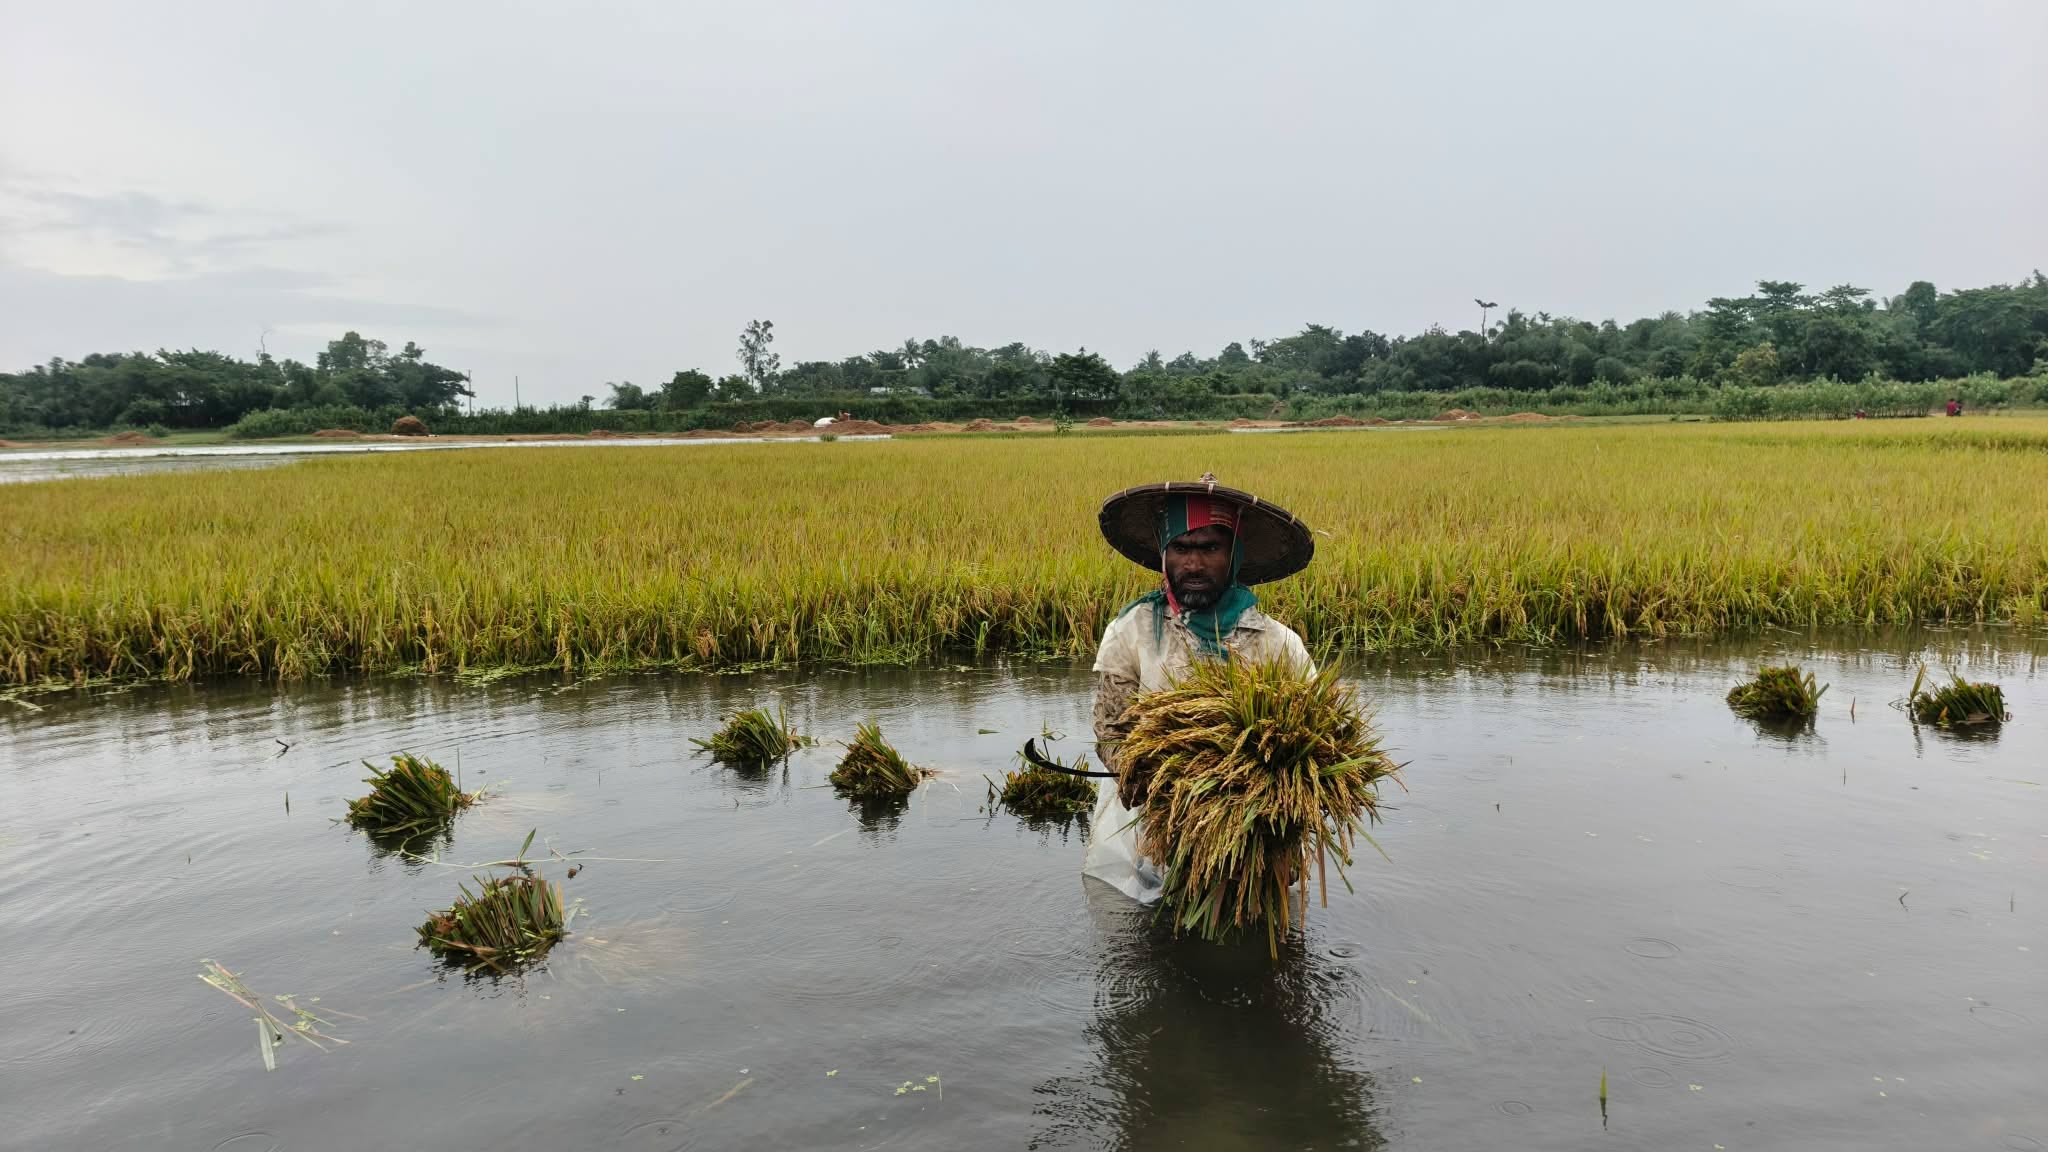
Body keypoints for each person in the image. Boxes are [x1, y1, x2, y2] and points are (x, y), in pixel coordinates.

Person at [1082, 474, 1317, 902]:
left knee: (1258, 918)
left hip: (1255, 834)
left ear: (1234, 554)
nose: (1192, 564)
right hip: (1157, 828)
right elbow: (1111, 726)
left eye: (1210, 548)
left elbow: (1312, 739)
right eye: (1180, 548)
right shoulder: (1133, 631)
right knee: (1156, 921)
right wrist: (1137, 772)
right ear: (1163, 553)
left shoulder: (1277, 643)